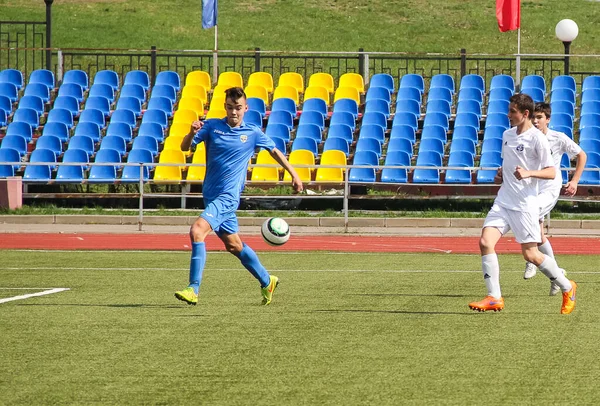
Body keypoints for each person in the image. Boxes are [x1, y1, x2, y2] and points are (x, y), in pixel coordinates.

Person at [174, 87, 303, 306]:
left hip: (227, 197)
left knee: (197, 231)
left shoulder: (252, 132)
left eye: (238, 108)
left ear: (246, 108)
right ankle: (267, 280)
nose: (234, 112)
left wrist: (295, 174)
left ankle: (193, 289)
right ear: (225, 106)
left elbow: (275, 151)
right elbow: (185, 148)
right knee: (234, 246)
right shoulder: (212, 127)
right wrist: (191, 131)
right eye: (230, 107)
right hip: (211, 196)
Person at [468, 93, 577, 314]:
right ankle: (494, 297)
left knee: (531, 255)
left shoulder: (538, 139)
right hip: (503, 201)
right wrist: (501, 175)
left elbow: (551, 171)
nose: (508, 115)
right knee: (485, 242)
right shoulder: (507, 134)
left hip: (525, 204)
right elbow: (508, 165)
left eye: (512, 112)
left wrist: (528, 173)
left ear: (524, 114)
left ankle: (567, 286)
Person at [522, 102, 587, 295]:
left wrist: (574, 181)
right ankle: (556, 275)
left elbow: (581, 155)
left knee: (529, 216)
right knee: (539, 234)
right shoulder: (526, 138)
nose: (535, 121)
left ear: (547, 119)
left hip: (550, 188)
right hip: (531, 188)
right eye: (533, 117)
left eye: (539, 117)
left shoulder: (557, 138)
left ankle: (531, 260)